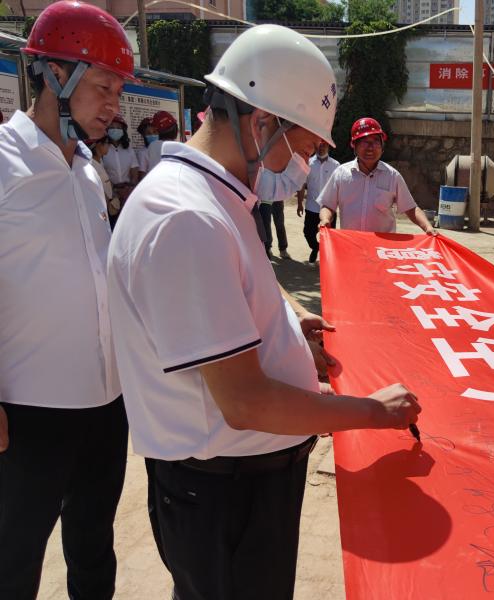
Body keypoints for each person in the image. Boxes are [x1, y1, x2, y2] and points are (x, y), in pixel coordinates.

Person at [107, 24, 420, 600]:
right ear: (260, 123)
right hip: (224, 498)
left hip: (236, 488)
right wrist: (372, 412)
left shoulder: (213, 198)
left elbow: (226, 302)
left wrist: (284, 330)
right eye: (299, 147)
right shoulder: (187, 218)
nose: (300, 165)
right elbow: (245, 402)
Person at [0, 2, 134, 597]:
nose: (114, 105)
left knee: (93, 547)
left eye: (119, 91)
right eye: (104, 87)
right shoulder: (4, 161)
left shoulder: (84, 169)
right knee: (14, 555)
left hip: (105, 404)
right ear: (55, 74)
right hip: (29, 411)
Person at [318, 117, 436, 235]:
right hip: (351, 242)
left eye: (375, 142)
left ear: (382, 146)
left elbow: (410, 208)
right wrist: (325, 220)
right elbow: (328, 205)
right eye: (365, 142)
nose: (370, 147)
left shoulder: (392, 176)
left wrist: (428, 227)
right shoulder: (341, 174)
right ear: (354, 145)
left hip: (382, 244)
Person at [297, 140, 339, 263]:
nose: (321, 148)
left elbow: (339, 187)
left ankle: (327, 262)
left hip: (329, 209)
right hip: (311, 206)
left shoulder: (336, 165)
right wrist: (299, 204)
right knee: (308, 233)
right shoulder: (308, 163)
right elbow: (301, 185)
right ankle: (316, 248)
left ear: (328, 146)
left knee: (328, 236)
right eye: (319, 145)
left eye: (324, 145)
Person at [103, 113, 139, 203]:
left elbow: (134, 173)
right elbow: (101, 174)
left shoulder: (129, 150)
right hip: (109, 193)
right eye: (112, 127)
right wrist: (114, 191)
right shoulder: (102, 149)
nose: (115, 130)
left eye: (119, 128)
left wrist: (129, 189)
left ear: (123, 131)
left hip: (128, 192)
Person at [89, 136, 122, 227]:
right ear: (99, 145)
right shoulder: (91, 164)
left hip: (110, 206)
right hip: (103, 208)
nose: (109, 146)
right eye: (107, 143)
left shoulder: (100, 161)